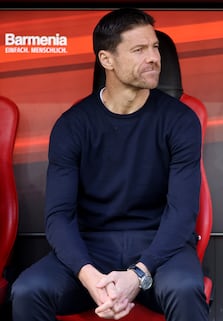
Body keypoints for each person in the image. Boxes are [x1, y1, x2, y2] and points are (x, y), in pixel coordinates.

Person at [11, 8, 209, 321]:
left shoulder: (180, 120)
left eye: (155, 47)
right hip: (91, 249)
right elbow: (59, 217)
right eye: (139, 49)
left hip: (159, 248)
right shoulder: (72, 125)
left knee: (184, 288)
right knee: (28, 290)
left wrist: (140, 274)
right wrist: (88, 275)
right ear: (107, 60)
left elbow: (183, 213)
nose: (154, 57)